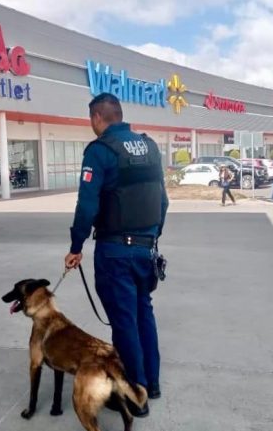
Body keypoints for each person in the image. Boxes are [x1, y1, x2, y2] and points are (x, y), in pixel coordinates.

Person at [64, 93, 168, 418]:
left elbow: (87, 205)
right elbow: (163, 200)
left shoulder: (100, 151)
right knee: (143, 313)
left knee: (124, 321)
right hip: (146, 248)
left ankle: (135, 394)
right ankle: (151, 384)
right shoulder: (149, 147)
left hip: (115, 252)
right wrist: (153, 236)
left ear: (97, 117)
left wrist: (76, 246)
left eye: (91, 119)